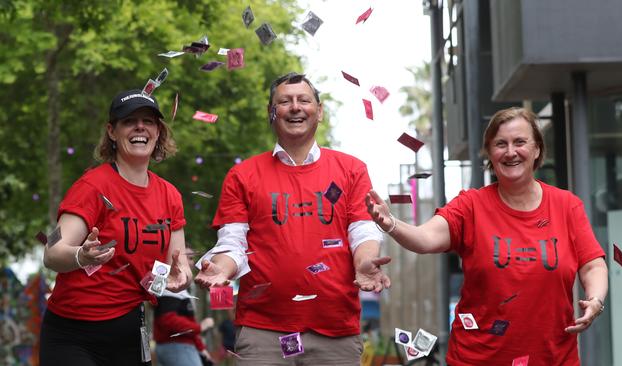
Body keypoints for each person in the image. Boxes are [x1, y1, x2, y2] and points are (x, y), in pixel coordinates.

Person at [366, 107, 609, 365]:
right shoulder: (471, 206)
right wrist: (390, 222)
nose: (511, 152)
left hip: (554, 358)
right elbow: (425, 239)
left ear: (537, 149)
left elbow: (593, 265)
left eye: (520, 142)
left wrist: (595, 300)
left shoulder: (566, 206)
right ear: (490, 154)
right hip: (478, 358)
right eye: (500, 144)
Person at [194, 72, 391, 365]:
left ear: (319, 111)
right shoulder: (243, 175)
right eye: (284, 101)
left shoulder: (352, 170)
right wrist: (221, 269)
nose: (295, 107)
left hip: (335, 332)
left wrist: (365, 263)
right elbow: (232, 243)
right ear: (271, 113)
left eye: (304, 100)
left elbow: (362, 231)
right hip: (263, 333)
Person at [40, 89, 193, 366]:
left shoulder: (170, 195)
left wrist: (180, 276)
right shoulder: (91, 186)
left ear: (158, 131)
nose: (140, 127)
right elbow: (52, 252)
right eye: (129, 120)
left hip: (131, 332)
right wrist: (81, 256)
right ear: (112, 131)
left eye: (148, 121)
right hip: (73, 334)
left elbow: (179, 263)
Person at [153, 289, 215, 366]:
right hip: (176, 348)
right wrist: (199, 327)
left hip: (178, 348)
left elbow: (189, 322)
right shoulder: (171, 290)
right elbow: (168, 319)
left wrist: (201, 348)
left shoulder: (180, 291)